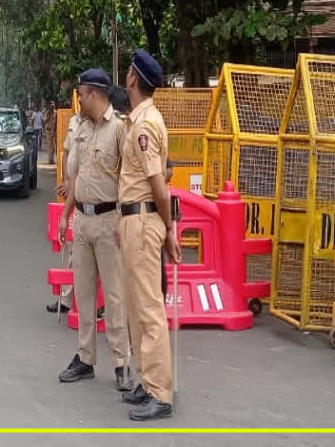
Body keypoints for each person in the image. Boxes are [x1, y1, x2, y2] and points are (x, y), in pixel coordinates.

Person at [54, 69, 131, 394]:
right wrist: (66, 215)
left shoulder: (119, 129)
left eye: (82, 93)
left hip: (109, 220)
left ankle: (122, 364)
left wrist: (122, 220)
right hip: (82, 221)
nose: (79, 98)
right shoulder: (82, 129)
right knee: (83, 295)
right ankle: (85, 358)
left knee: (113, 297)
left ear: (96, 94)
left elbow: (131, 178)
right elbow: (76, 178)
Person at [117, 50, 180, 421]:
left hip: (143, 220)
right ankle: (146, 380)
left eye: (127, 71)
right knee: (136, 308)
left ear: (132, 80)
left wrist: (169, 229)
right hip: (133, 219)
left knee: (149, 310)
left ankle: (160, 392)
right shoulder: (141, 120)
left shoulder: (143, 126)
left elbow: (159, 184)